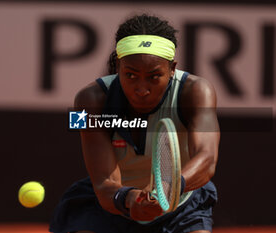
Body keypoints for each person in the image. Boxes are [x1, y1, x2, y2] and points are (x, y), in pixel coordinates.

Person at [50, 14, 220, 233]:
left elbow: (207, 160)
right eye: (130, 75)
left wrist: (167, 189)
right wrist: (131, 198)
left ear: (171, 69)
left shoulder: (197, 91)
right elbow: (104, 183)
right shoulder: (87, 100)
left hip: (181, 204)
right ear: (118, 66)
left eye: (154, 76)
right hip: (113, 203)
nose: (141, 89)